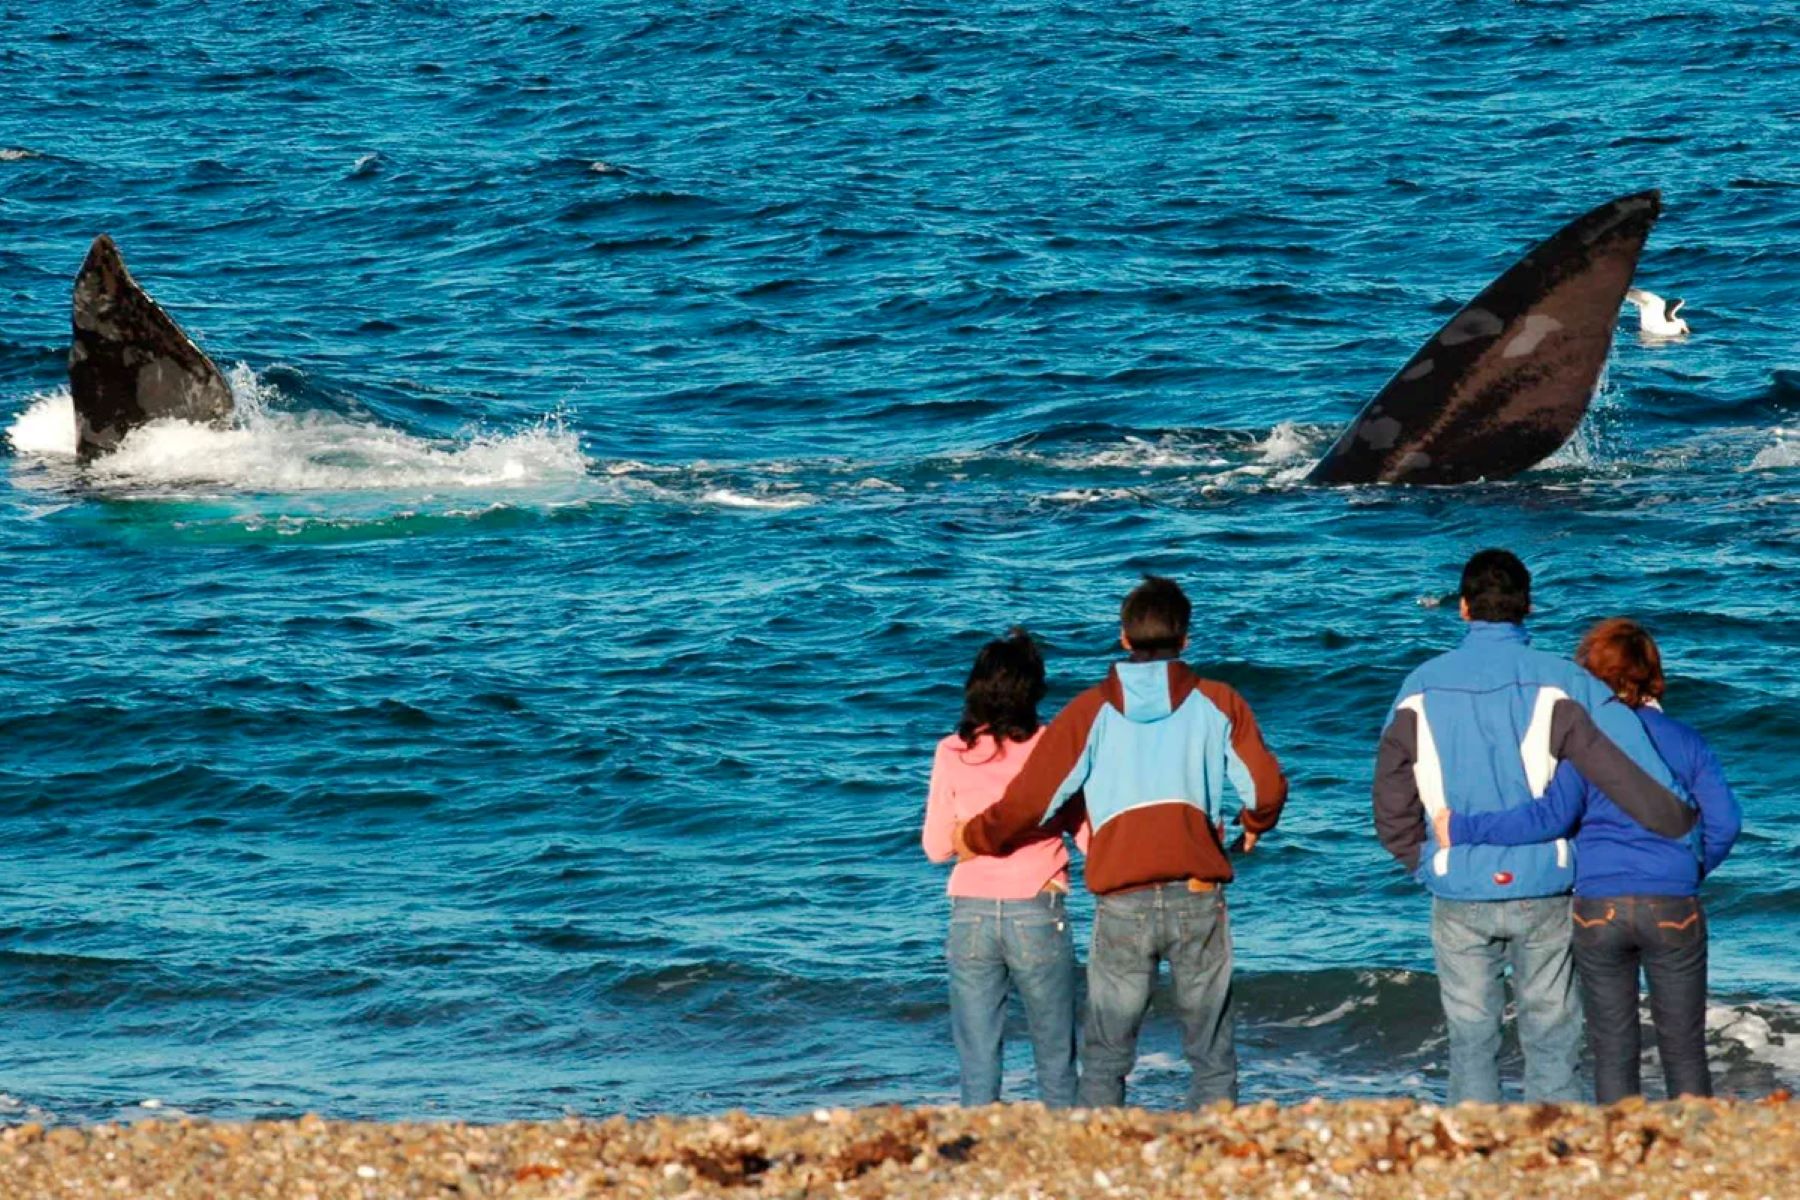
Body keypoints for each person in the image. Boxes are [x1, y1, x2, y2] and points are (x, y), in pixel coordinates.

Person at [1373, 550, 1695, 1105]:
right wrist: (1678, 822)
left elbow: (1390, 785)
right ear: (1529, 608)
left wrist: (1419, 857)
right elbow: (1633, 765)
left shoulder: (1419, 684)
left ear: (1464, 609)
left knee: (1471, 1035)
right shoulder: (1564, 681)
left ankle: (1476, 1155)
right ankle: (1556, 1154)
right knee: (1551, 1031)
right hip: (1544, 884)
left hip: (1457, 883)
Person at [954, 576, 1288, 1108]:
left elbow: (1029, 802)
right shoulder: (1219, 701)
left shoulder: (1088, 712)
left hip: (1121, 899)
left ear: (1124, 639)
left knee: (1108, 1049)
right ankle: (1220, 1158)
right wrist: (1255, 821)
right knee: (1211, 1047)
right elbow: (1265, 787)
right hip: (1198, 893)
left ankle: (1097, 1157)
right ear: (1186, 639)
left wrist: (974, 835)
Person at [1433, 618, 1741, 1102]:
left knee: (1614, 1046)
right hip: (1674, 903)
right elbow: (1725, 823)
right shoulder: (1688, 741)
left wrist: (1464, 828)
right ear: (1652, 674)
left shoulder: (1586, 745)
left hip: (1600, 905)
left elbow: (1549, 818)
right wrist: (1687, 870)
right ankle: (1695, 1153)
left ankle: (1618, 1155)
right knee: (1684, 1047)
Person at [922, 630, 1082, 1107]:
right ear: (1033, 689)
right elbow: (1084, 827)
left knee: (977, 1060)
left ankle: (976, 1155)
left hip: (969, 909)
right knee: (1055, 1053)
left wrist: (971, 838)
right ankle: (1064, 1150)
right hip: (1037, 902)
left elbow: (934, 847)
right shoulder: (1052, 745)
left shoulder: (951, 750)